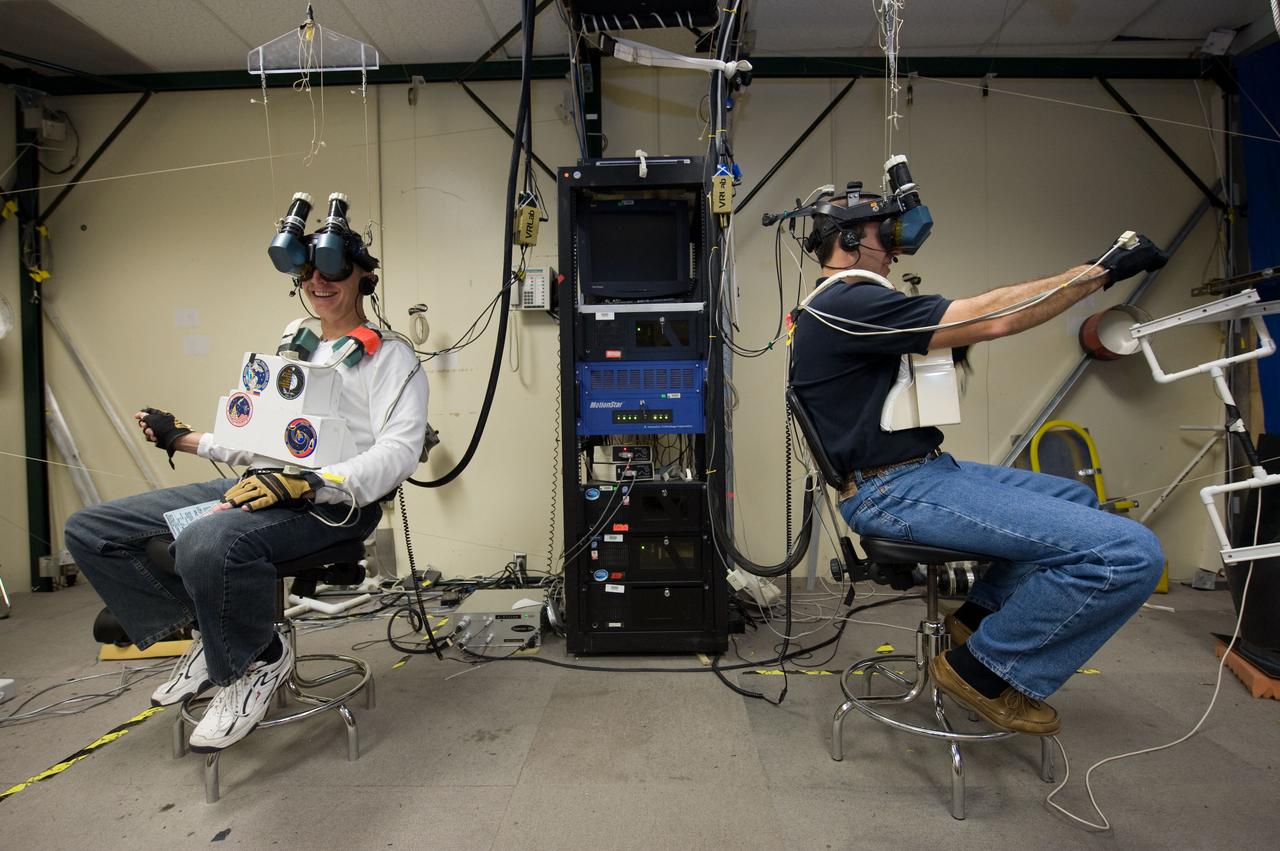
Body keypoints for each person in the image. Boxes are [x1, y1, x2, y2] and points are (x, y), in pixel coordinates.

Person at [789, 195, 1168, 735]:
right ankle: (983, 670)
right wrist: (1098, 273)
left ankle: (976, 621)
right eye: (886, 236)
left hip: (922, 468)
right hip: (891, 490)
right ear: (850, 241)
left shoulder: (847, 306)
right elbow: (992, 318)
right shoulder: (848, 303)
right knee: (1130, 552)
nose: (895, 251)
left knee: (1075, 498)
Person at [65, 231, 428, 752]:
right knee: (93, 530)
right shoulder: (297, 344)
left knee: (207, 543)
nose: (318, 284)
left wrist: (311, 480)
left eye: (333, 271)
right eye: (308, 274)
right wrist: (183, 438)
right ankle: (207, 634)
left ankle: (255, 659)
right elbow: (263, 437)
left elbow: (397, 453)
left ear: (363, 277)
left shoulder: (392, 358)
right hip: (260, 484)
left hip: (334, 504)